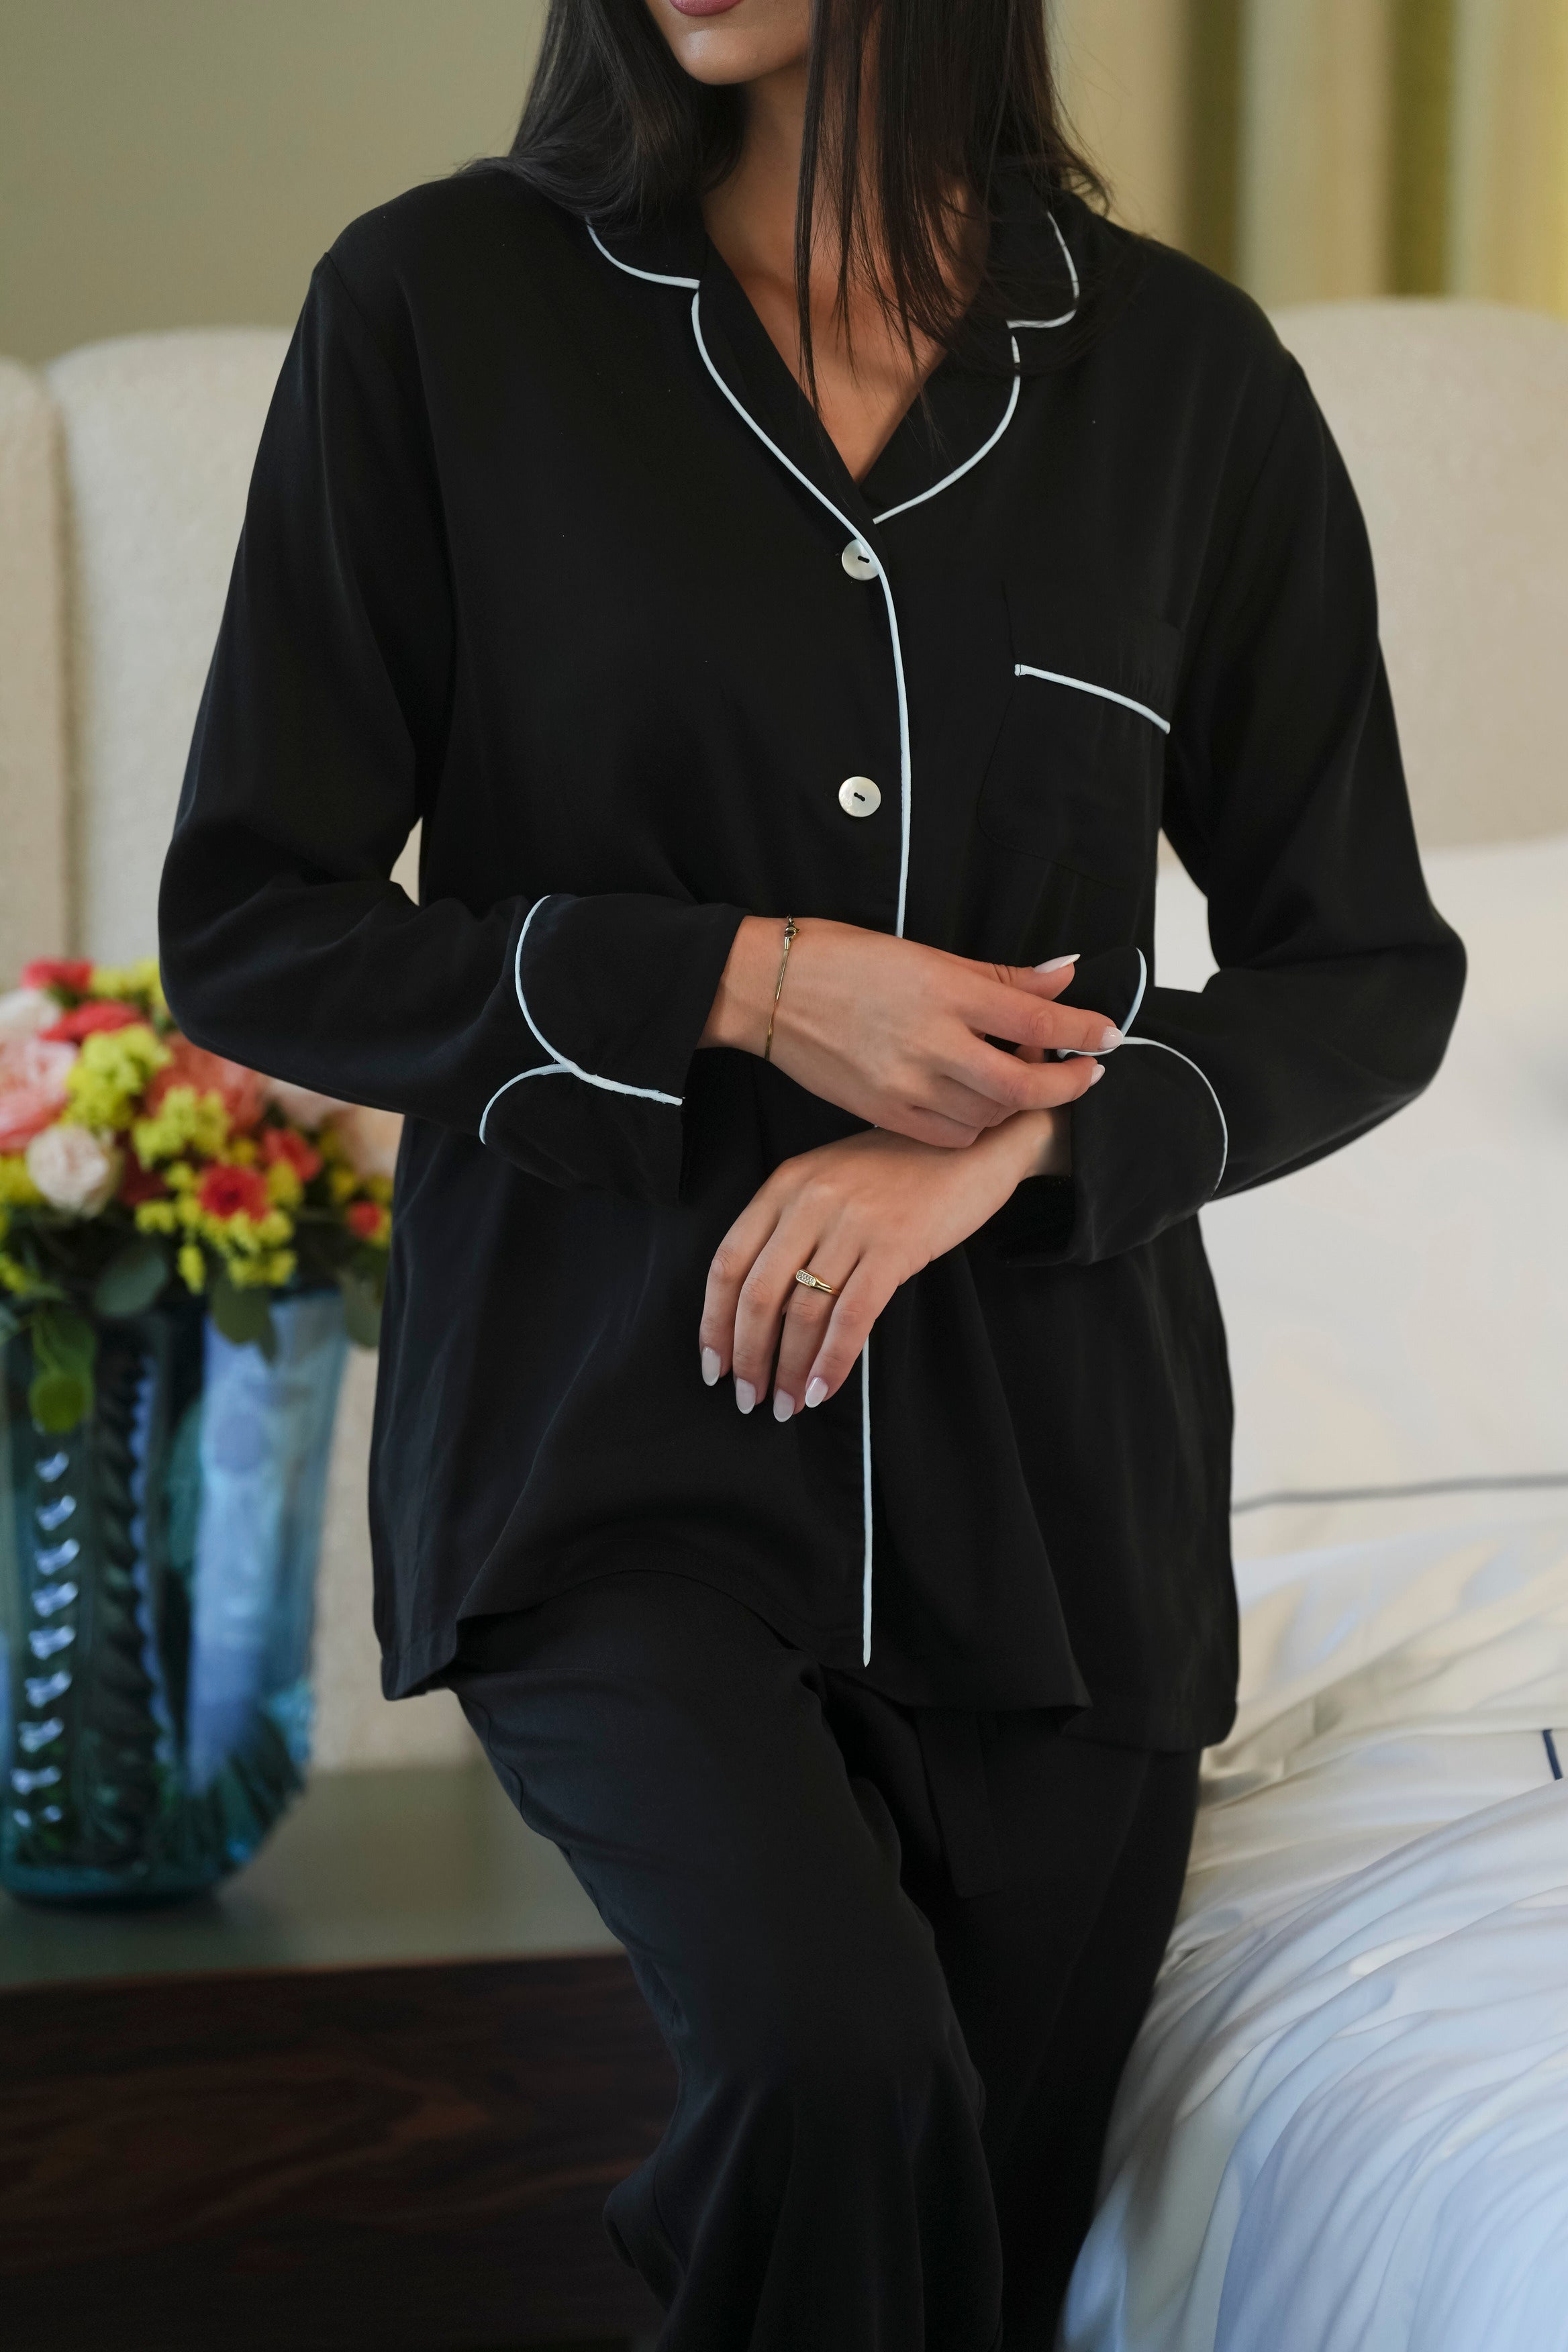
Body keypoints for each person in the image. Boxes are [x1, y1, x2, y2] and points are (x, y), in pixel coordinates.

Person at [158, 0, 1465, 2341]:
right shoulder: (441, 313)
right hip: (606, 1440)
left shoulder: (1189, 383)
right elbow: (259, 926)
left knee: (986, 2249)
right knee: (832, 2072)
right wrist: (754, 984)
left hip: (1067, 1513)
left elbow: (1364, 971)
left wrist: (1020, 1144)